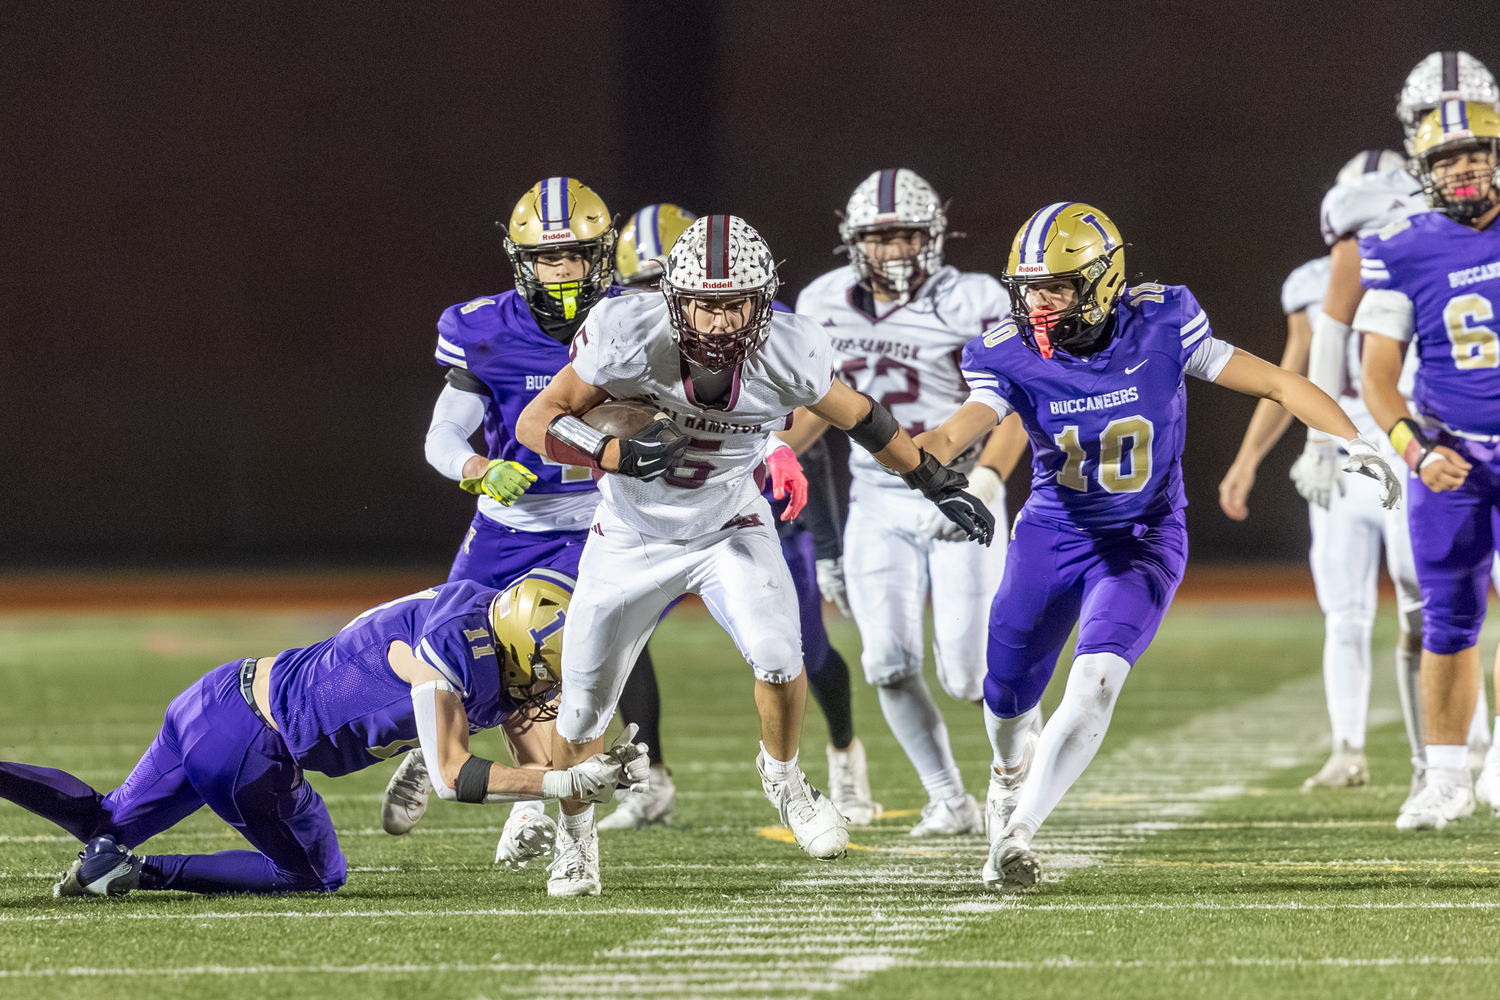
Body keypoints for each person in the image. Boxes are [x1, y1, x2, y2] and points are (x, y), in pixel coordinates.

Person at [915, 202, 1399, 891]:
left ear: (1101, 281)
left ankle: (1018, 834)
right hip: (1054, 534)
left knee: (1096, 683)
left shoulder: (1162, 322)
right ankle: (1006, 775)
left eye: (1055, 286)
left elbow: (1276, 381)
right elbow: (959, 428)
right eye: (1030, 289)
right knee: (1005, 700)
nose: (1039, 304)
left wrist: (1353, 438)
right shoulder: (1006, 351)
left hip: (1144, 538)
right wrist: (910, 454)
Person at [516, 214, 995, 896]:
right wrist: (611, 450)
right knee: (586, 709)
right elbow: (538, 419)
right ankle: (575, 840)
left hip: (729, 522)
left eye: (735, 302)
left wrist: (932, 478)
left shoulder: (789, 348)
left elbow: (860, 415)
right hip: (630, 535)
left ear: (762, 300)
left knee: (779, 654)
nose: (719, 321)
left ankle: (785, 778)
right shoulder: (629, 331)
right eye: (705, 303)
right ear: (675, 299)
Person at [0, 575, 648, 898]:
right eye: (551, 672)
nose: (551, 688)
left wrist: (561, 790)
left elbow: (516, 724)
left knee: (103, 821)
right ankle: (139, 874)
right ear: (518, 648)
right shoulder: (456, 653)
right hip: (253, 750)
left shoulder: (482, 611)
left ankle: (103, 856)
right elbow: (454, 778)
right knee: (313, 876)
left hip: (219, 694)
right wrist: (563, 780)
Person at [602, 204, 879, 829]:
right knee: (623, 641)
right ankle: (652, 778)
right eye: (644, 290)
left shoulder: (765, 342)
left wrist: (829, 543)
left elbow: (832, 428)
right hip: (662, 519)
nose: (661, 306)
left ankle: (839, 754)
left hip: (760, 515)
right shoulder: (635, 342)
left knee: (799, 650)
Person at [421, 177, 671, 849]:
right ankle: (428, 753)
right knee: (452, 652)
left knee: (543, 658)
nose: (561, 271)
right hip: (504, 529)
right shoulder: (483, 328)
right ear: (521, 261)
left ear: (602, 257)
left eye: (575, 256)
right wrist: (475, 467)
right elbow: (444, 432)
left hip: (592, 526)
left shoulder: (637, 318)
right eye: (547, 259)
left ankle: (543, 811)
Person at [793, 168, 1029, 837]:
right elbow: (808, 417)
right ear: (854, 240)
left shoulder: (975, 298)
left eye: (906, 235)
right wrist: (822, 537)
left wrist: (987, 480)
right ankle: (949, 799)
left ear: (934, 235)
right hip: (877, 500)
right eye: (881, 235)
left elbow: (1015, 398)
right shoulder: (822, 301)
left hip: (959, 491)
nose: (895, 249)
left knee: (968, 675)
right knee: (887, 662)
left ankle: (1026, 758)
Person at [1301, 55, 1500, 798]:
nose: (1460, 155)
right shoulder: (1389, 230)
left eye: (1473, 134)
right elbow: (1343, 342)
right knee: (1433, 604)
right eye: (1439, 135)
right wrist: (1331, 439)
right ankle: (1440, 765)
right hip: (1425, 440)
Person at [1219, 245, 1426, 795]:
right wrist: (1247, 459)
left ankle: (1456, 748)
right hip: (1338, 459)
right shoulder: (1309, 283)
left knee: (1426, 610)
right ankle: (1347, 750)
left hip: (1407, 453)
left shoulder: (1419, 261)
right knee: (1345, 615)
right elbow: (1290, 376)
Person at [1356, 100, 1500, 829]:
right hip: (1454, 450)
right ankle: (1445, 777)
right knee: (1447, 616)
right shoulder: (1403, 246)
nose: (1464, 166)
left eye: (1475, 151)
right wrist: (1414, 449)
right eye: (1447, 158)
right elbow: (1376, 373)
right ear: (1425, 171)